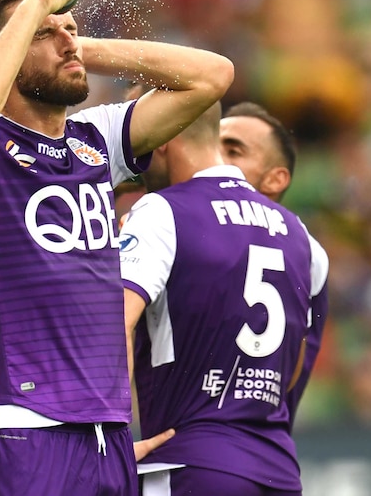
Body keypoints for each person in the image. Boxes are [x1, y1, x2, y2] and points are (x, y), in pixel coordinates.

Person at [0, 0, 234, 496]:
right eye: (46, 33)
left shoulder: (95, 141)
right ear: (2, 50)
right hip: (20, 423)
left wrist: (72, 40)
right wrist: (28, 13)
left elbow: (213, 76)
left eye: (71, 28)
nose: (67, 39)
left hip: (107, 433)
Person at [118, 102, 329, 494]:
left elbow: (114, 322)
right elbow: (294, 365)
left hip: (191, 461)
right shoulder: (306, 241)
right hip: (278, 471)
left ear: (164, 141)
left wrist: (104, 438)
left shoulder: (164, 211)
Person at [219, 101, 330, 424]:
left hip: (201, 447)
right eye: (214, 149)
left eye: (234, 152)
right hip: (269, 448)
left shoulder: (309, 252)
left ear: (275, 179)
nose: (217, 163)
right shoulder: (310, 247)